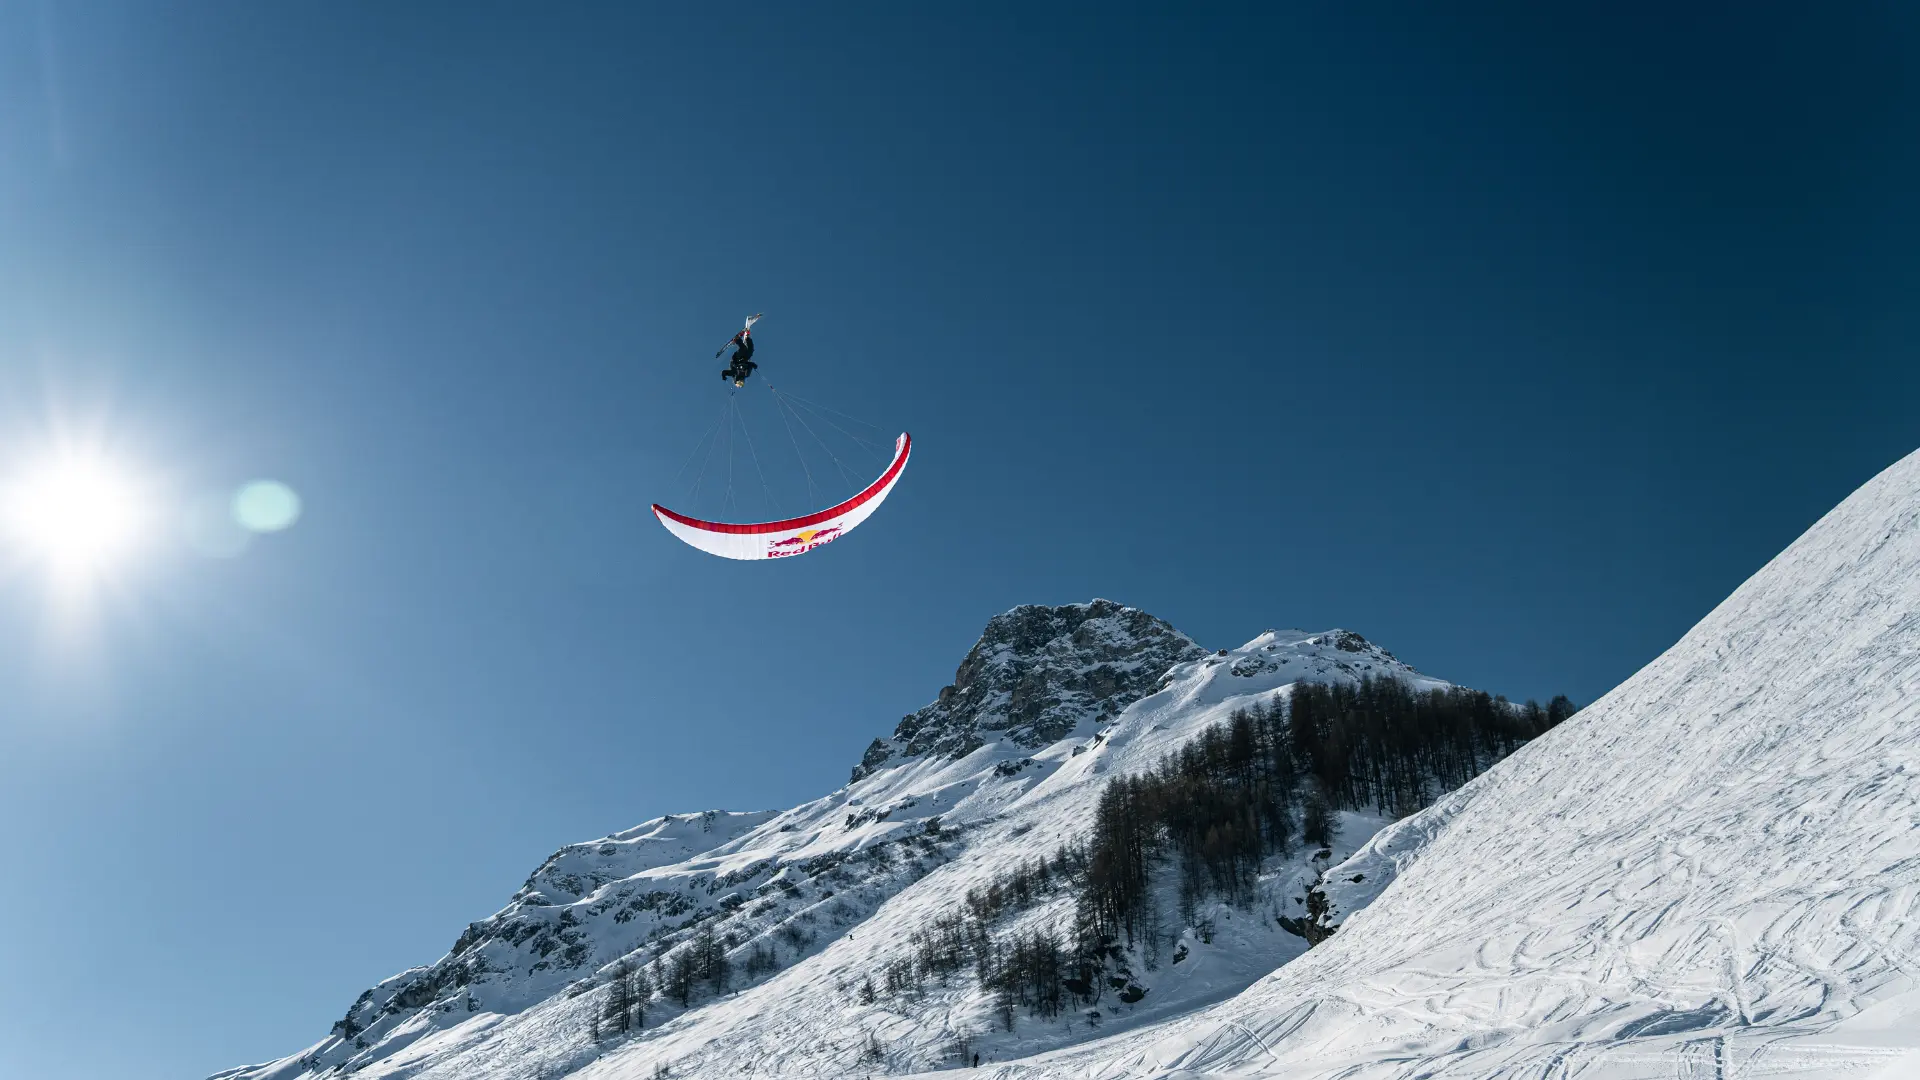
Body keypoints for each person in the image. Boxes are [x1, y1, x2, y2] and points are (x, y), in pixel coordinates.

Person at [717, 314, 763, 386]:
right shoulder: (746, 374)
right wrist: (754, 365)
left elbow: (724, 372)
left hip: (736, 359)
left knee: (743, 349)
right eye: (742, 382)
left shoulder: (734, 373)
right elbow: (749, 365)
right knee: (750, 350)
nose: (741, 381)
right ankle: (747, 337)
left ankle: (737, 340)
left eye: (739, 382)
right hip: (745, 358)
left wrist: (723, 376)